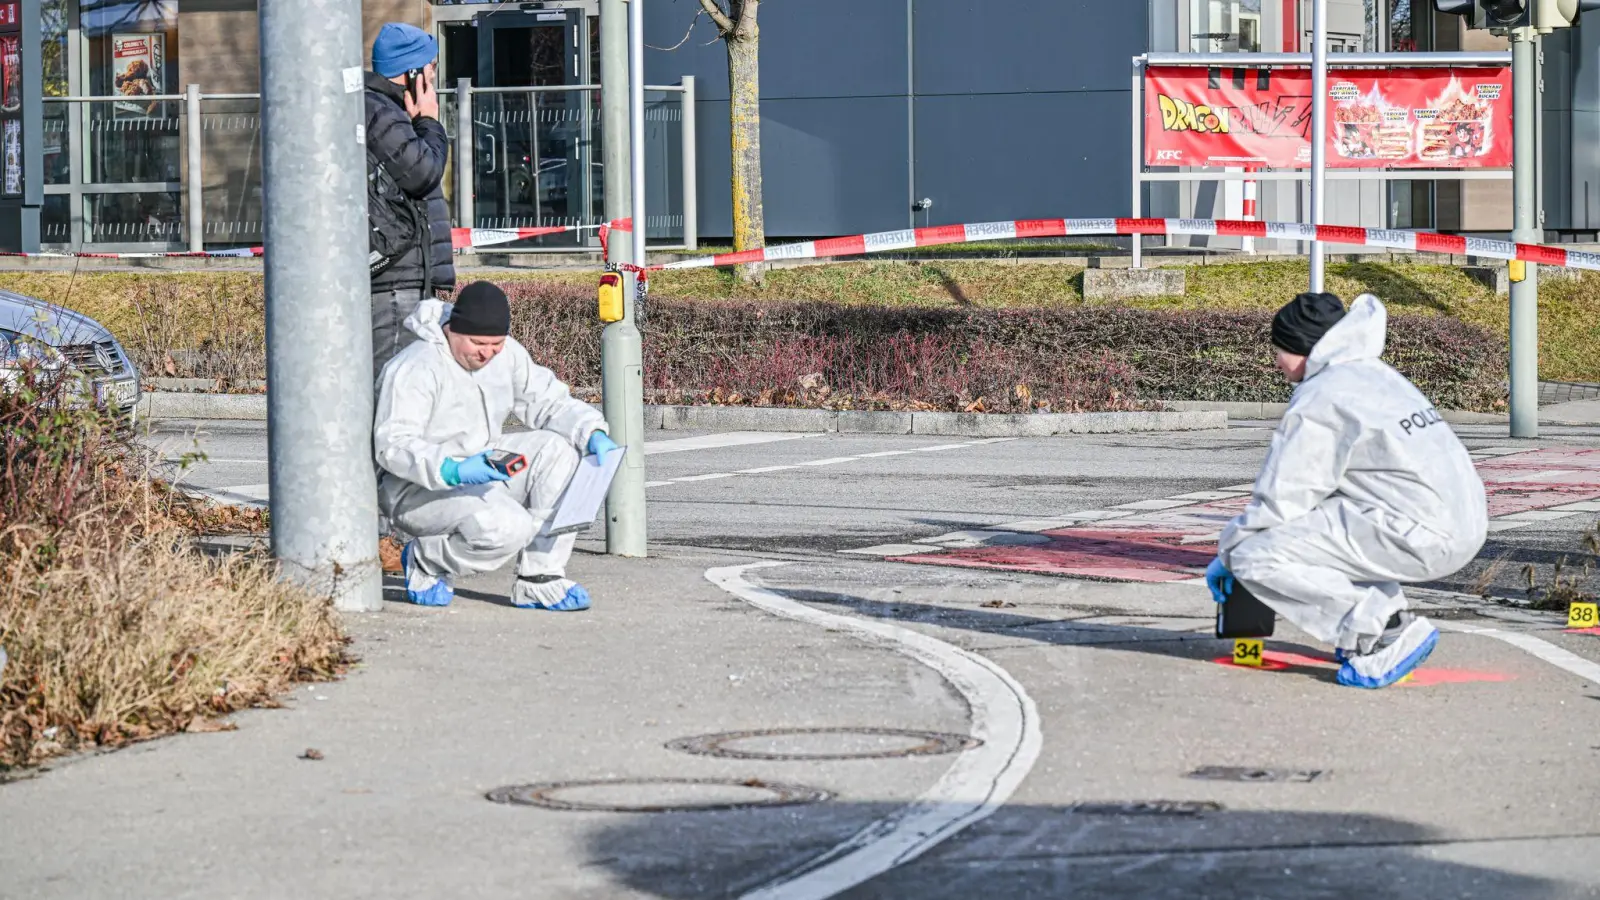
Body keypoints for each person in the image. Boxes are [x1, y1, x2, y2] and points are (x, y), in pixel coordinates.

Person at [1206, 292, 1488, 689]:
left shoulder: (1322, 397)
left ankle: (1384, 631)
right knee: (1323, 528)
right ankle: (1380, 618)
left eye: (1280, 350)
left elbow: (1284, 495)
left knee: (1256, 556)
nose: (1276, 362)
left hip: (1420, 532)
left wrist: (1231, 551)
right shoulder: (1374, 374)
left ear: (1304, 347)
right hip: (1459, 521)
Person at [374, 282, 619, 610]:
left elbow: (547, 401)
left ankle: (540, 577)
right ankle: (426, 560)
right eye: (477, 342)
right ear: (451, 330)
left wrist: (591, 431)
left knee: (559, 451)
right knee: (508, 527)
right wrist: (451, 468)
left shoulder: (507, 355)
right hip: (415, 488)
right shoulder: (415, 367)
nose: (486, 353)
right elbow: (393, 444)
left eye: (496, 344)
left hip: (480, 465)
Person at [366, 22, 456, 384]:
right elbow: (423, 172)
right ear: (413, 74)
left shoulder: (391, 113)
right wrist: (430, 121)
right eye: (432, 69)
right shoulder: (382, 113)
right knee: (394, 391)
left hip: (405, 279)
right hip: (394, 282)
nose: (435, 80)